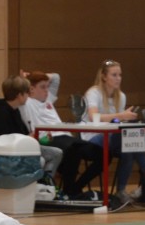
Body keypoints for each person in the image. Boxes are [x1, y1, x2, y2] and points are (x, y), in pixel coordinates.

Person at [81, 60, 145, 206]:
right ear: (104, 77)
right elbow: (93, 117)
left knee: (128, 147)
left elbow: (117, 123)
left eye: (120, 75)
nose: (118, 78)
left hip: (114, 138)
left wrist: (124, 119)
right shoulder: (93, 93)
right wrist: (121, 116)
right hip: (93, 137)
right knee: (128, 140)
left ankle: (121, 191)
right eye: (114, 75)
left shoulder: (121, 96)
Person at [19, 71, 103, 199]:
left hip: (66, 137)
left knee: (103, 154)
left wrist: (41, 76)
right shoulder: (26, 103)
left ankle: (76, 187)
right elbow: (17, 91)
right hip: (49, 139)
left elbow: (56, 77)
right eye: (42, 87)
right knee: (73, 150)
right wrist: (25, 80)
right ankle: (69, 191)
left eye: (47, 86)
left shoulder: (48, 99)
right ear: (31, 89)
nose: (46, 90)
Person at [0, 75, 61, 185]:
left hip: (19, 149)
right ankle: (36, 187)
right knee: (40, 160)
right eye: (26, 93)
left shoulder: (15, 110)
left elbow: (22, 134)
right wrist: (28, 138)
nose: (28, 96)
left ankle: (45, 186)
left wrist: (37, 138)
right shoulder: (1, 114)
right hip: (5, 155)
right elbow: (1, 142)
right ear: (20, 95)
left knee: (56, 153)